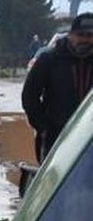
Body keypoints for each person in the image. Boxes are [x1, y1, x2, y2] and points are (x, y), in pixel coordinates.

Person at [22, 12, 93, 161]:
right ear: (71, 35)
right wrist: (42, 127)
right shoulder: (50, 60)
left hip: (89, 140)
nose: (86, 40)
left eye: (90, 35)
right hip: (55, 138)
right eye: (81, 35)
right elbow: (30, 95)